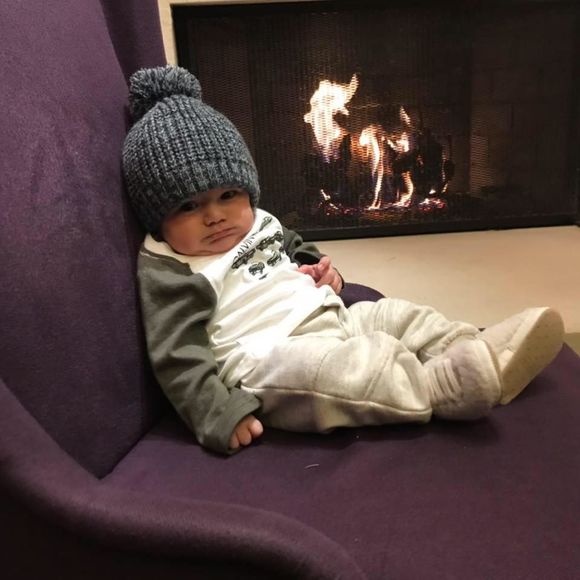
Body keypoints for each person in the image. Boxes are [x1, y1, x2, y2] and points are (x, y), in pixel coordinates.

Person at [122, 66, 564, 455]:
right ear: (157, 217)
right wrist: (216, 414)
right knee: (345, 375)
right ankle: (437, 387)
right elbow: (177, 354)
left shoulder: (256, 221)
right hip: (270, 358)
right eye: (188, 206)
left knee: (394, 315)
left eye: (227, 195)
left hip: (331, 315)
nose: (215, 215)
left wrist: (321, 271)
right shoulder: (172, 267)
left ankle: (472, 347)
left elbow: (294, 247)